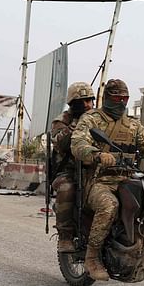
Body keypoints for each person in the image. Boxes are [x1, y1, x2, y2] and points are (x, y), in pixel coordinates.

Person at [71, 79, 144, 281]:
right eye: (117, 98)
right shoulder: (92, 119)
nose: (121, 103)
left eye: (125, 99)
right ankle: (92, 257)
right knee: (109, 206)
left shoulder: (133, 125)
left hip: (128, 179)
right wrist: (96, 154)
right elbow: (78, 143)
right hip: (100, 181)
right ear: (107, 98)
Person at [50, 82, 95, 253]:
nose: (87, 105)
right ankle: (65, 236)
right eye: (81, 102)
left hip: (94, 169)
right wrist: (76, 125)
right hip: (69, 171)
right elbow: (60, 143)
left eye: (89, 101)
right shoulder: (62, 121)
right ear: (72, 104)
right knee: (67, 188)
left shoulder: (97, 118)